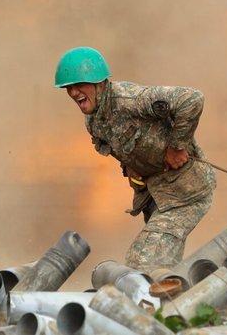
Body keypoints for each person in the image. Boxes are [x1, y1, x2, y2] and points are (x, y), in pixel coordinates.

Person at [54, 46, 216, 271]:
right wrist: (129, 166)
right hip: (156, 197)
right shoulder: (94, 121)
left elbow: (191, 99)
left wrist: (177, 147)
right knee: (163, 267)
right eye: (68, 88)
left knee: (144, 261)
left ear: (100, 83)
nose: (73, 93)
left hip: (185, 192)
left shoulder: (131, 100)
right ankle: (175, 302)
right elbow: (119, 146)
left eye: (79, 85)